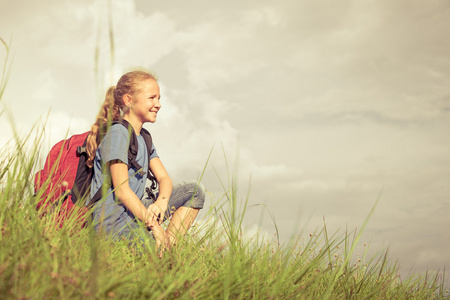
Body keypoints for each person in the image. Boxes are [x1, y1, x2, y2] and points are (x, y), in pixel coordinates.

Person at [85, 70, 205, 251]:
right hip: (112, 222)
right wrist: (156, 227)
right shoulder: (118, 134)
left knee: (194, 191)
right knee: (151, 264)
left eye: (159, 98)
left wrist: (161, 203)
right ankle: (160, 249)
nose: (158, 104)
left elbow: (165, 179)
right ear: (128, 100)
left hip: (133, 214)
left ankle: (166, 250)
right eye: (152, 98)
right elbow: (122, 190)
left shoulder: (144, 138)